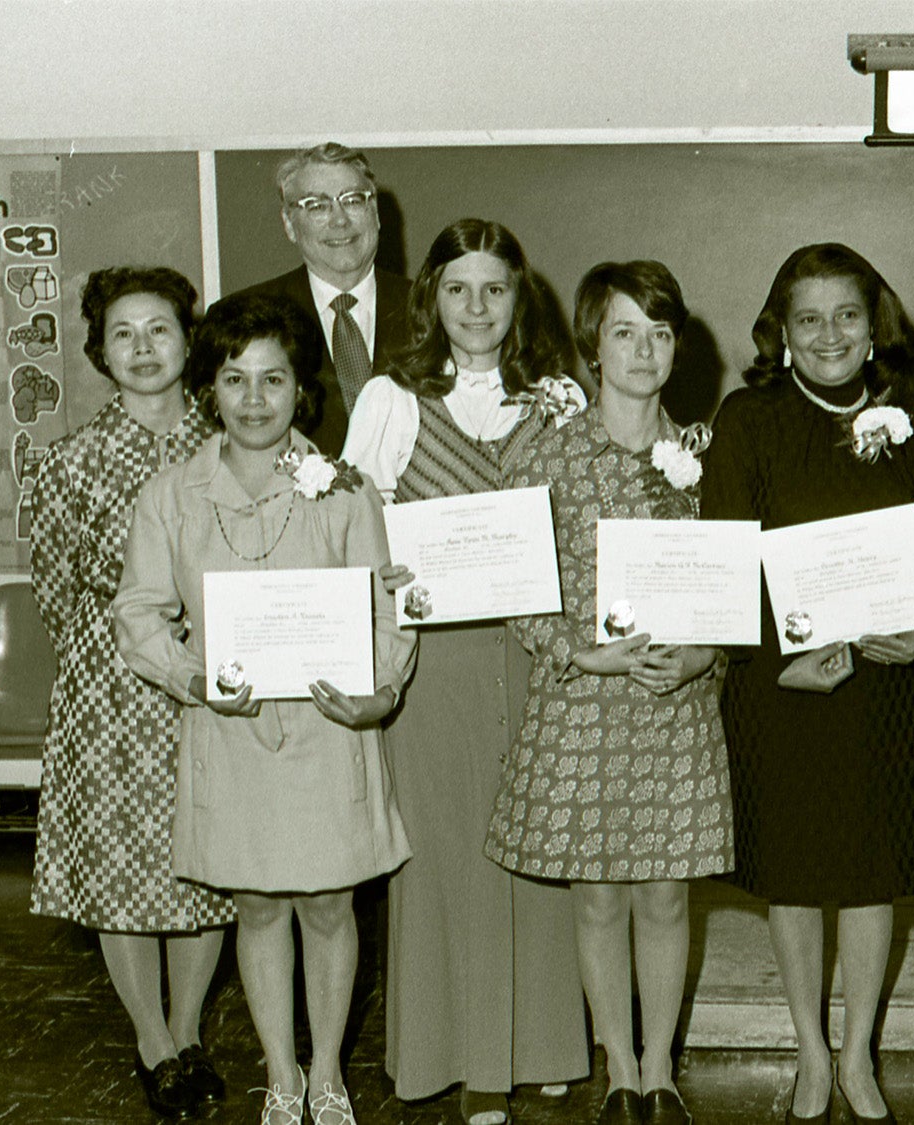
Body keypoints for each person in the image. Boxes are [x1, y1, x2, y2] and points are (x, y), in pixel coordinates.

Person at [113, 294, 416, 1125]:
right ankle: (282, 1076)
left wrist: (378, 691)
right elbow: (138, 612)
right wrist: (193, 676)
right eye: (235, 378)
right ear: (210, 387)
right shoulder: (170, 495)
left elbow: (391, 606)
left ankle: (328, 1076)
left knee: (327, 904)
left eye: (273, 378)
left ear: (299, 388)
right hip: (232, 728)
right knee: (258, 906)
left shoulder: (343, 490)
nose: (254, 398)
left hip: (327, 729)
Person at [342, 218, 589, 1124]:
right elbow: (352, 524)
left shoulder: (559, 396)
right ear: (430, 299)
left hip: (536, 653)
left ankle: (551, 1042)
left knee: (540, 849)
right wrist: (385, 573)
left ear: (520, 298)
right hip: (435, 662)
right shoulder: (390, 398)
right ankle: (470, 1057)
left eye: (495, 289)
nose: (477, 308)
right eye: (458, 289)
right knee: (450, 855)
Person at [700, 243, 914, 1125]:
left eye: (847, 314)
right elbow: (725, 557)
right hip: (783, 686)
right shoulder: (747, 417)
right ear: (782, 330)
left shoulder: (913, 420)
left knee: (872, 872)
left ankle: (858, 1053)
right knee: (798, 876)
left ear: (875, 323)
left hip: (881, 683)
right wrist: (779, 657)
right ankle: (809, 1049)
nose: (829, 334)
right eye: (808, 318)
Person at [486, 260, 734, 1125]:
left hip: (675, 700)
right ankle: (618, 1070)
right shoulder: (544, 453)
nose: (643, 349)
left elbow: (737, 586)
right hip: (583, 701)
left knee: (667, 892)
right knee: (596, 891)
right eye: (624, 331)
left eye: (659, 333)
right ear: (593, 344)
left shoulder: (705, 453)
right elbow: (514, 588)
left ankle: (661, 1066)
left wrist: (705, 654)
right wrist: (575, 653)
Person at [29, 266, 233, 1120]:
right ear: (99, 353)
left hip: (217, 680)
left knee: (209, 862)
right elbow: (53, 587)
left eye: (160, 329)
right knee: (124, 867)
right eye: (123, 333)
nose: (144, 348)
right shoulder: (68, 461)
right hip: (110, 693)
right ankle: (151, 1036)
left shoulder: (235, 444)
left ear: (190, 341)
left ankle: (189, 1029)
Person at [225, 142, 413, 456]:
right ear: (289, 224)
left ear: (375, 213)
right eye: (317, 206)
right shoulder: (245, 316)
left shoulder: (430, 306)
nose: (340, 221)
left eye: (353, 200)